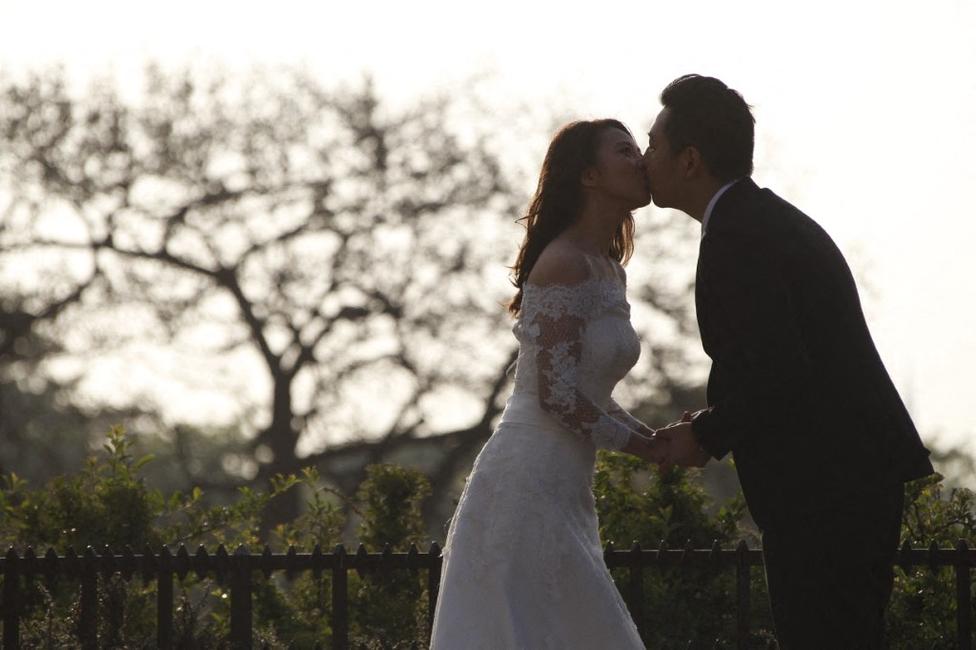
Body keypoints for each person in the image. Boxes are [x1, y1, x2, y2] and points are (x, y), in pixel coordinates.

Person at [646, 74, 934, 649]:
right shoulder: (759, 220)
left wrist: (705, 433)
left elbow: (779, 371)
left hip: (826, 490)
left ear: (689, 160)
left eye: (653, 144)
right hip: (846, 481)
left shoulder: (739, 235)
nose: (644, 156)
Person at [429, 119, 663, 649]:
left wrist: (652, 437)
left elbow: (591, 393)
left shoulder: (608, 269)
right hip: (525, 481)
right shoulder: (561, 264)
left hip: (566, 485)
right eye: (625, 151)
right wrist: (643, 448)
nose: (640, 161)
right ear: (588, 175)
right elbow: (556, 397)